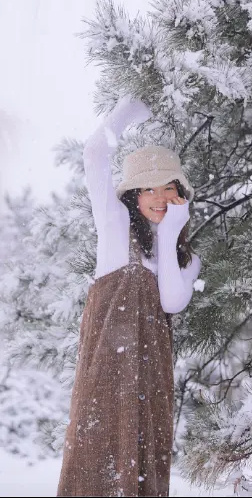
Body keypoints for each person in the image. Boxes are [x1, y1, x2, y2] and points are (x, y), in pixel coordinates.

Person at [57, 95, 201, 497]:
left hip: (152, 382)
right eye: (147, 188)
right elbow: (95, 151)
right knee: (96, 469)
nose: (158, 197)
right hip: (107, 373)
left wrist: (171, 234)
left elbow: (172, 300)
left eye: (167, 188)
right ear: (133, 196)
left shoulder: (186, 260)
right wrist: (133, 107)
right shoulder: (116, 228)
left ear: (181, 196)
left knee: (145, 475)